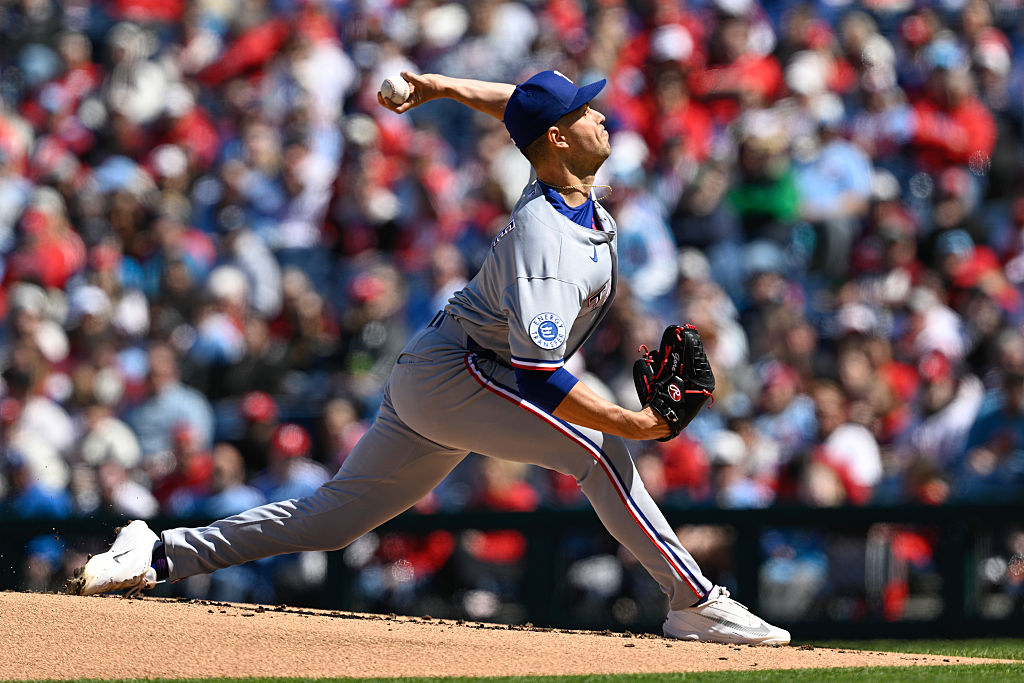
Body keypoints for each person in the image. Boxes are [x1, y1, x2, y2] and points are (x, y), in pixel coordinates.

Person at [67, 71, 789, 645]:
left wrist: (439, 86)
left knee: (331, 521)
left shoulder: (564, 179)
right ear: (560, 139)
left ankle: (158, 551)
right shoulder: (547, 238)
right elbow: (540, 378)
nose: (605, 116)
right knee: (600, 452)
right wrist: (641, 425)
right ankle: (694, 600)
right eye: (587, 112)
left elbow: (516, 102)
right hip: (465, 374)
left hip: (445, 371)